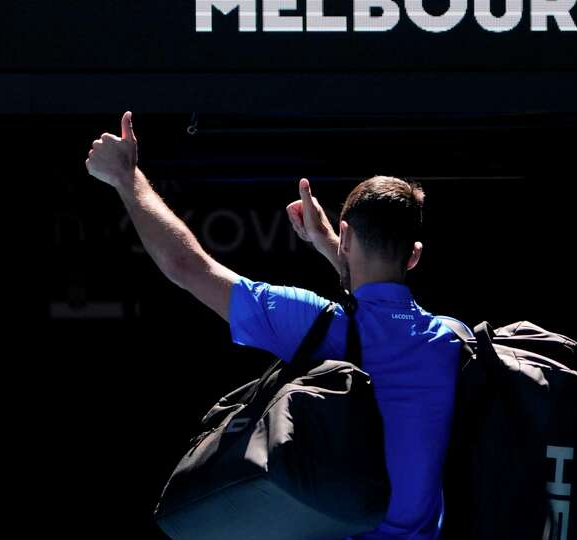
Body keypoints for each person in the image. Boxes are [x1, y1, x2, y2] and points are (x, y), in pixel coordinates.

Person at [85, 112, 464, 540]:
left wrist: (126, 177)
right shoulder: (452, 340)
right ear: (413, 256)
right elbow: (380, 314)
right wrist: (334, 249)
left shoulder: (314, 324)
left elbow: (186, 266)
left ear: (346, 234)